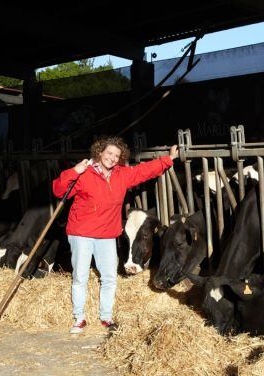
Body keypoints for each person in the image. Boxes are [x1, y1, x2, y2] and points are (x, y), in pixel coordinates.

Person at [52, 135, 179, 334]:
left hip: (107, 235)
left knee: (110, 277)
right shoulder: (84, 173)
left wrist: (168, 160)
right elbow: (59, 190)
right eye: (109, 153)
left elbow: (143, 172)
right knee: (80, 276)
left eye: (116, 155)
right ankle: (79, 318)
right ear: (99, 152)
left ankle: (106, 317)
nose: (112, 158)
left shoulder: (121, 174)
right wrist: (74, 171)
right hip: (81, 233)